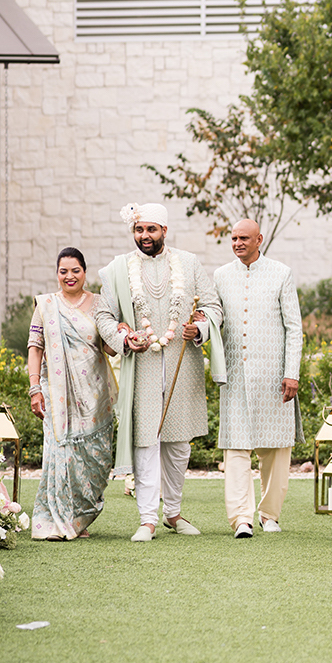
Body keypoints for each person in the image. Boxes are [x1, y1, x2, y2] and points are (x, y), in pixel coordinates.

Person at [95, 203, 225, 542]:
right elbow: (104, 316)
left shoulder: (190, 263)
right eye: (139, 230)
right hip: (142, 367)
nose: (145, 236)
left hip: (183, 365)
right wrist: (124, 337)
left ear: (164, 231)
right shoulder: (117, 270)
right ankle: (147, 519)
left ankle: (174, 513)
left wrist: (199, 330)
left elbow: (212, 307)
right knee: (146, 442)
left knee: (179, 445)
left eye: (151, 230)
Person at [213, 219, 303, 538]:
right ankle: (241, 518)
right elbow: (214, 320)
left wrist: (291, 373)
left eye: (243, 238)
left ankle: (269, 513)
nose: (237, 243)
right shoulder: (221, 276)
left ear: (259, 239)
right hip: (235, 376)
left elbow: (294, 328)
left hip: (274, 377)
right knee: (236, 448)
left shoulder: (281, 273)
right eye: (233, 238)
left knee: (275, 449)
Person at [27, 247, 117, 541]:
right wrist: (34, 388)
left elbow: (109, 346)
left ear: (85, 272)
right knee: (61, 454)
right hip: (57, 395)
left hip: (95, 395)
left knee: (97, 459)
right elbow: (35, 348)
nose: (69, 276)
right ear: (57, 274)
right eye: (63, 271)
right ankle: (54, 521)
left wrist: (125, 333)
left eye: (75, 271)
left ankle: (79, 518)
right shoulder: (46, 305)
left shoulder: (100, 303)